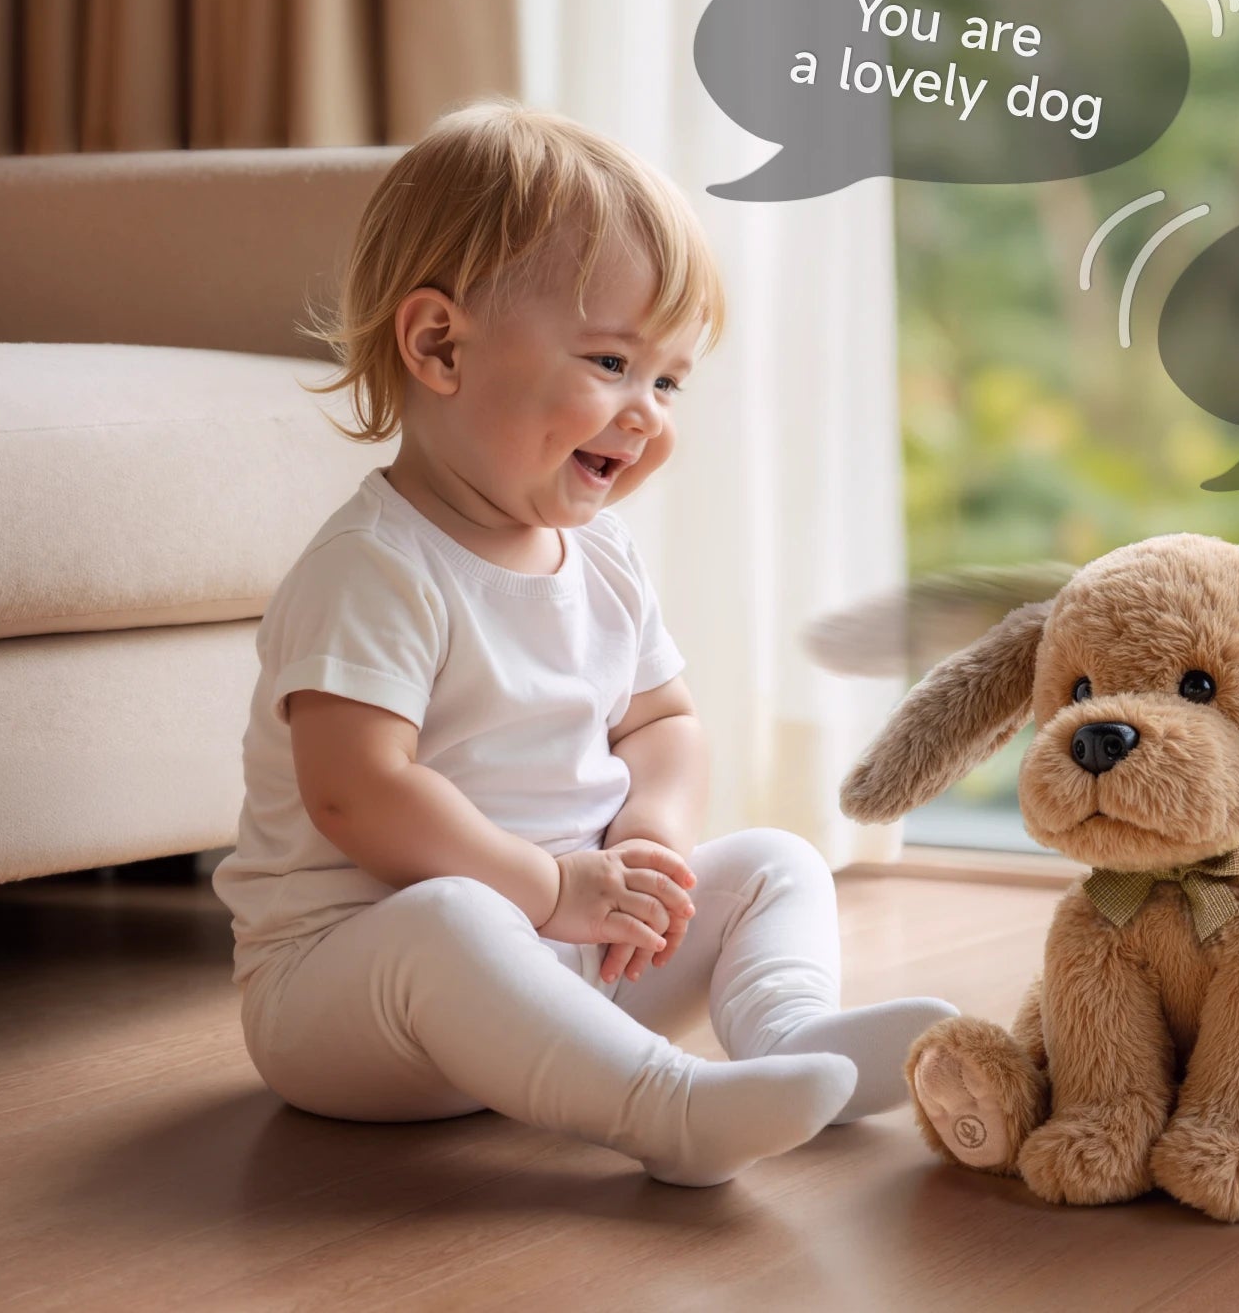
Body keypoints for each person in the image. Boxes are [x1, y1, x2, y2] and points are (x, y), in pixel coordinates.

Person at [211, 102, 952, 1186]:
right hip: (356, 1002)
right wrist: (548, 890)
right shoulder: (375, 568)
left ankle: (790, 1032)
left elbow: (664, 719)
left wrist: (650, 833)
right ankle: (665, 1108)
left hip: (566, 958)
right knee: (454, 916)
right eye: (611, 360)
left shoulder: (600, 558)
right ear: (440, 345)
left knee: (773, 863)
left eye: (668, 380)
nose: (646, 410)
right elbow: (356, 796)